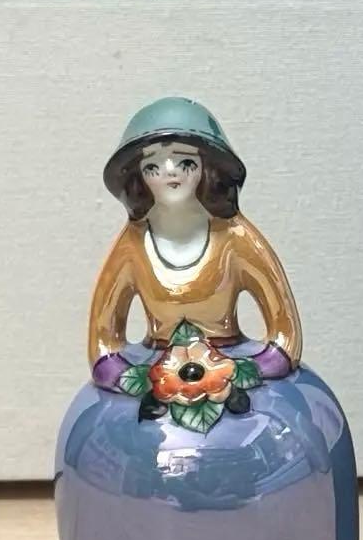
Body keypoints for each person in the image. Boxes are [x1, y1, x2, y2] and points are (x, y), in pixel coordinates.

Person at [89, 96, 300, 391]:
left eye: (185, 162)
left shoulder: (236, 238)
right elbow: (103, 341)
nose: (170, 171)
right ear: (138, 179)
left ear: (208, 170)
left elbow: (285, 333)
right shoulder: (132, 246)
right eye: (153, 166)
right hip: (157, 370)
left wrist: (255, 367)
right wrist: (122, 375)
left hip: (227, 363)